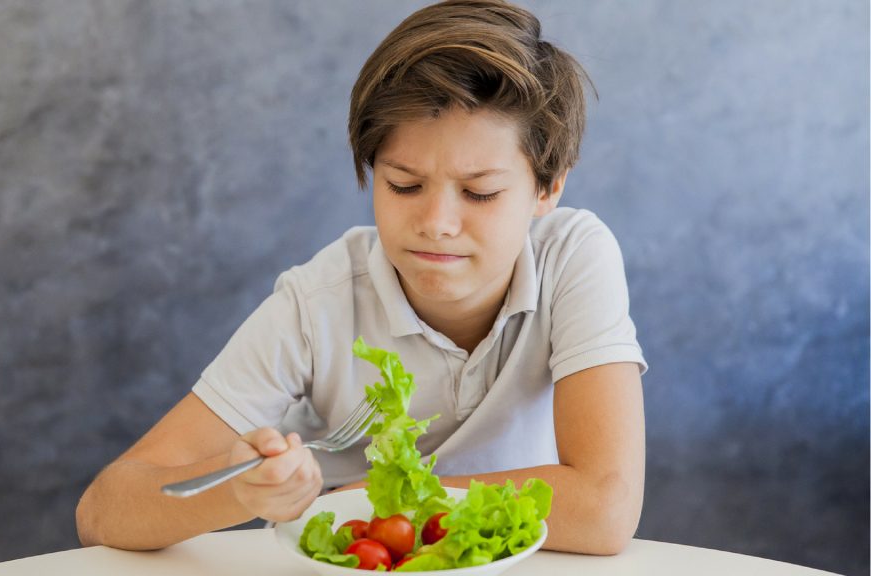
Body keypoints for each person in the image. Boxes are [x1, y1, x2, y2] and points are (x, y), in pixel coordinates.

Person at [76, 0, 646, 556]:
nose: (436, 225)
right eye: (403, 185)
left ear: (547, 189)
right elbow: (103, 512)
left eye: (479, 193)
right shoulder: (318, 303)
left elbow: (604, 508)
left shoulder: (572, 256)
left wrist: (370, 501)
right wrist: (237, 487)